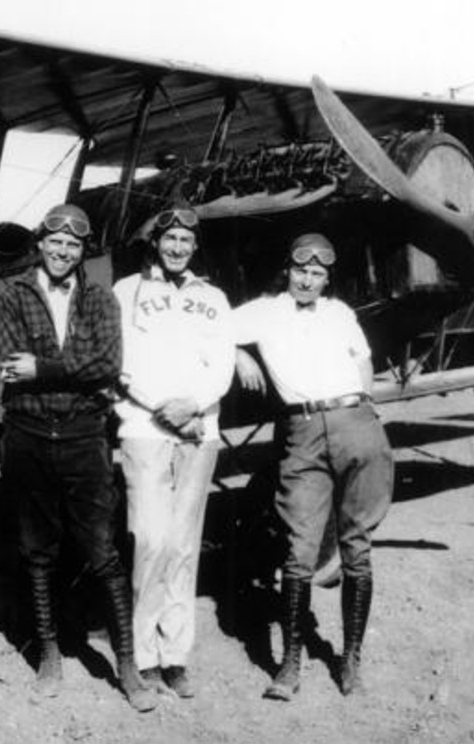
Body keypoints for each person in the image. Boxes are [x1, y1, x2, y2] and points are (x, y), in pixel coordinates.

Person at [0, 203, 157, 713]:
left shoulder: (101, 298)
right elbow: (10, 362)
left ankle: (127, 665)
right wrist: (69, 371)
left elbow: (108, 364)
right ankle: (48, 652)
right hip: (27, 433)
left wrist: (42, 367)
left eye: (73, 245)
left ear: (82, 250)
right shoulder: (13, 292)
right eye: (55, 242)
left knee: (102, 548)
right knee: (36, 548)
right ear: (40, 243)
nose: (63, 251)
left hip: (85, 434)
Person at [231, 232, 394, 700]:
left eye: (318, 274)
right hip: (301, 432)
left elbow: (362, 362)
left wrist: (365, 412)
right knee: (299, 550)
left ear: (327, 279)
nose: (308, 279)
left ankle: (351, 663)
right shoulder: (263, 311)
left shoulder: (341, 314)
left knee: (356, 546)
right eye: (301, 270)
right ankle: (289, 666)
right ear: (288, 270)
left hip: (356, 422)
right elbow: (213, 328)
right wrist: (239, 352)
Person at [112, 203, 235, 699]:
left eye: (186, 240)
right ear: (154, 243)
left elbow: (222, 362)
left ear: (195, 246)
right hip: (146, 428)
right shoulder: (127, 292)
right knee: (149, 540)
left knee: (185, 544)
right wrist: (160, 405)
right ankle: (141, 655)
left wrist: (195, 405)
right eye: (170, 240)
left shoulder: (216, 298)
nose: (177, 248)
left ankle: (175, 655)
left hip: (199, 430)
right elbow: (119, 360)